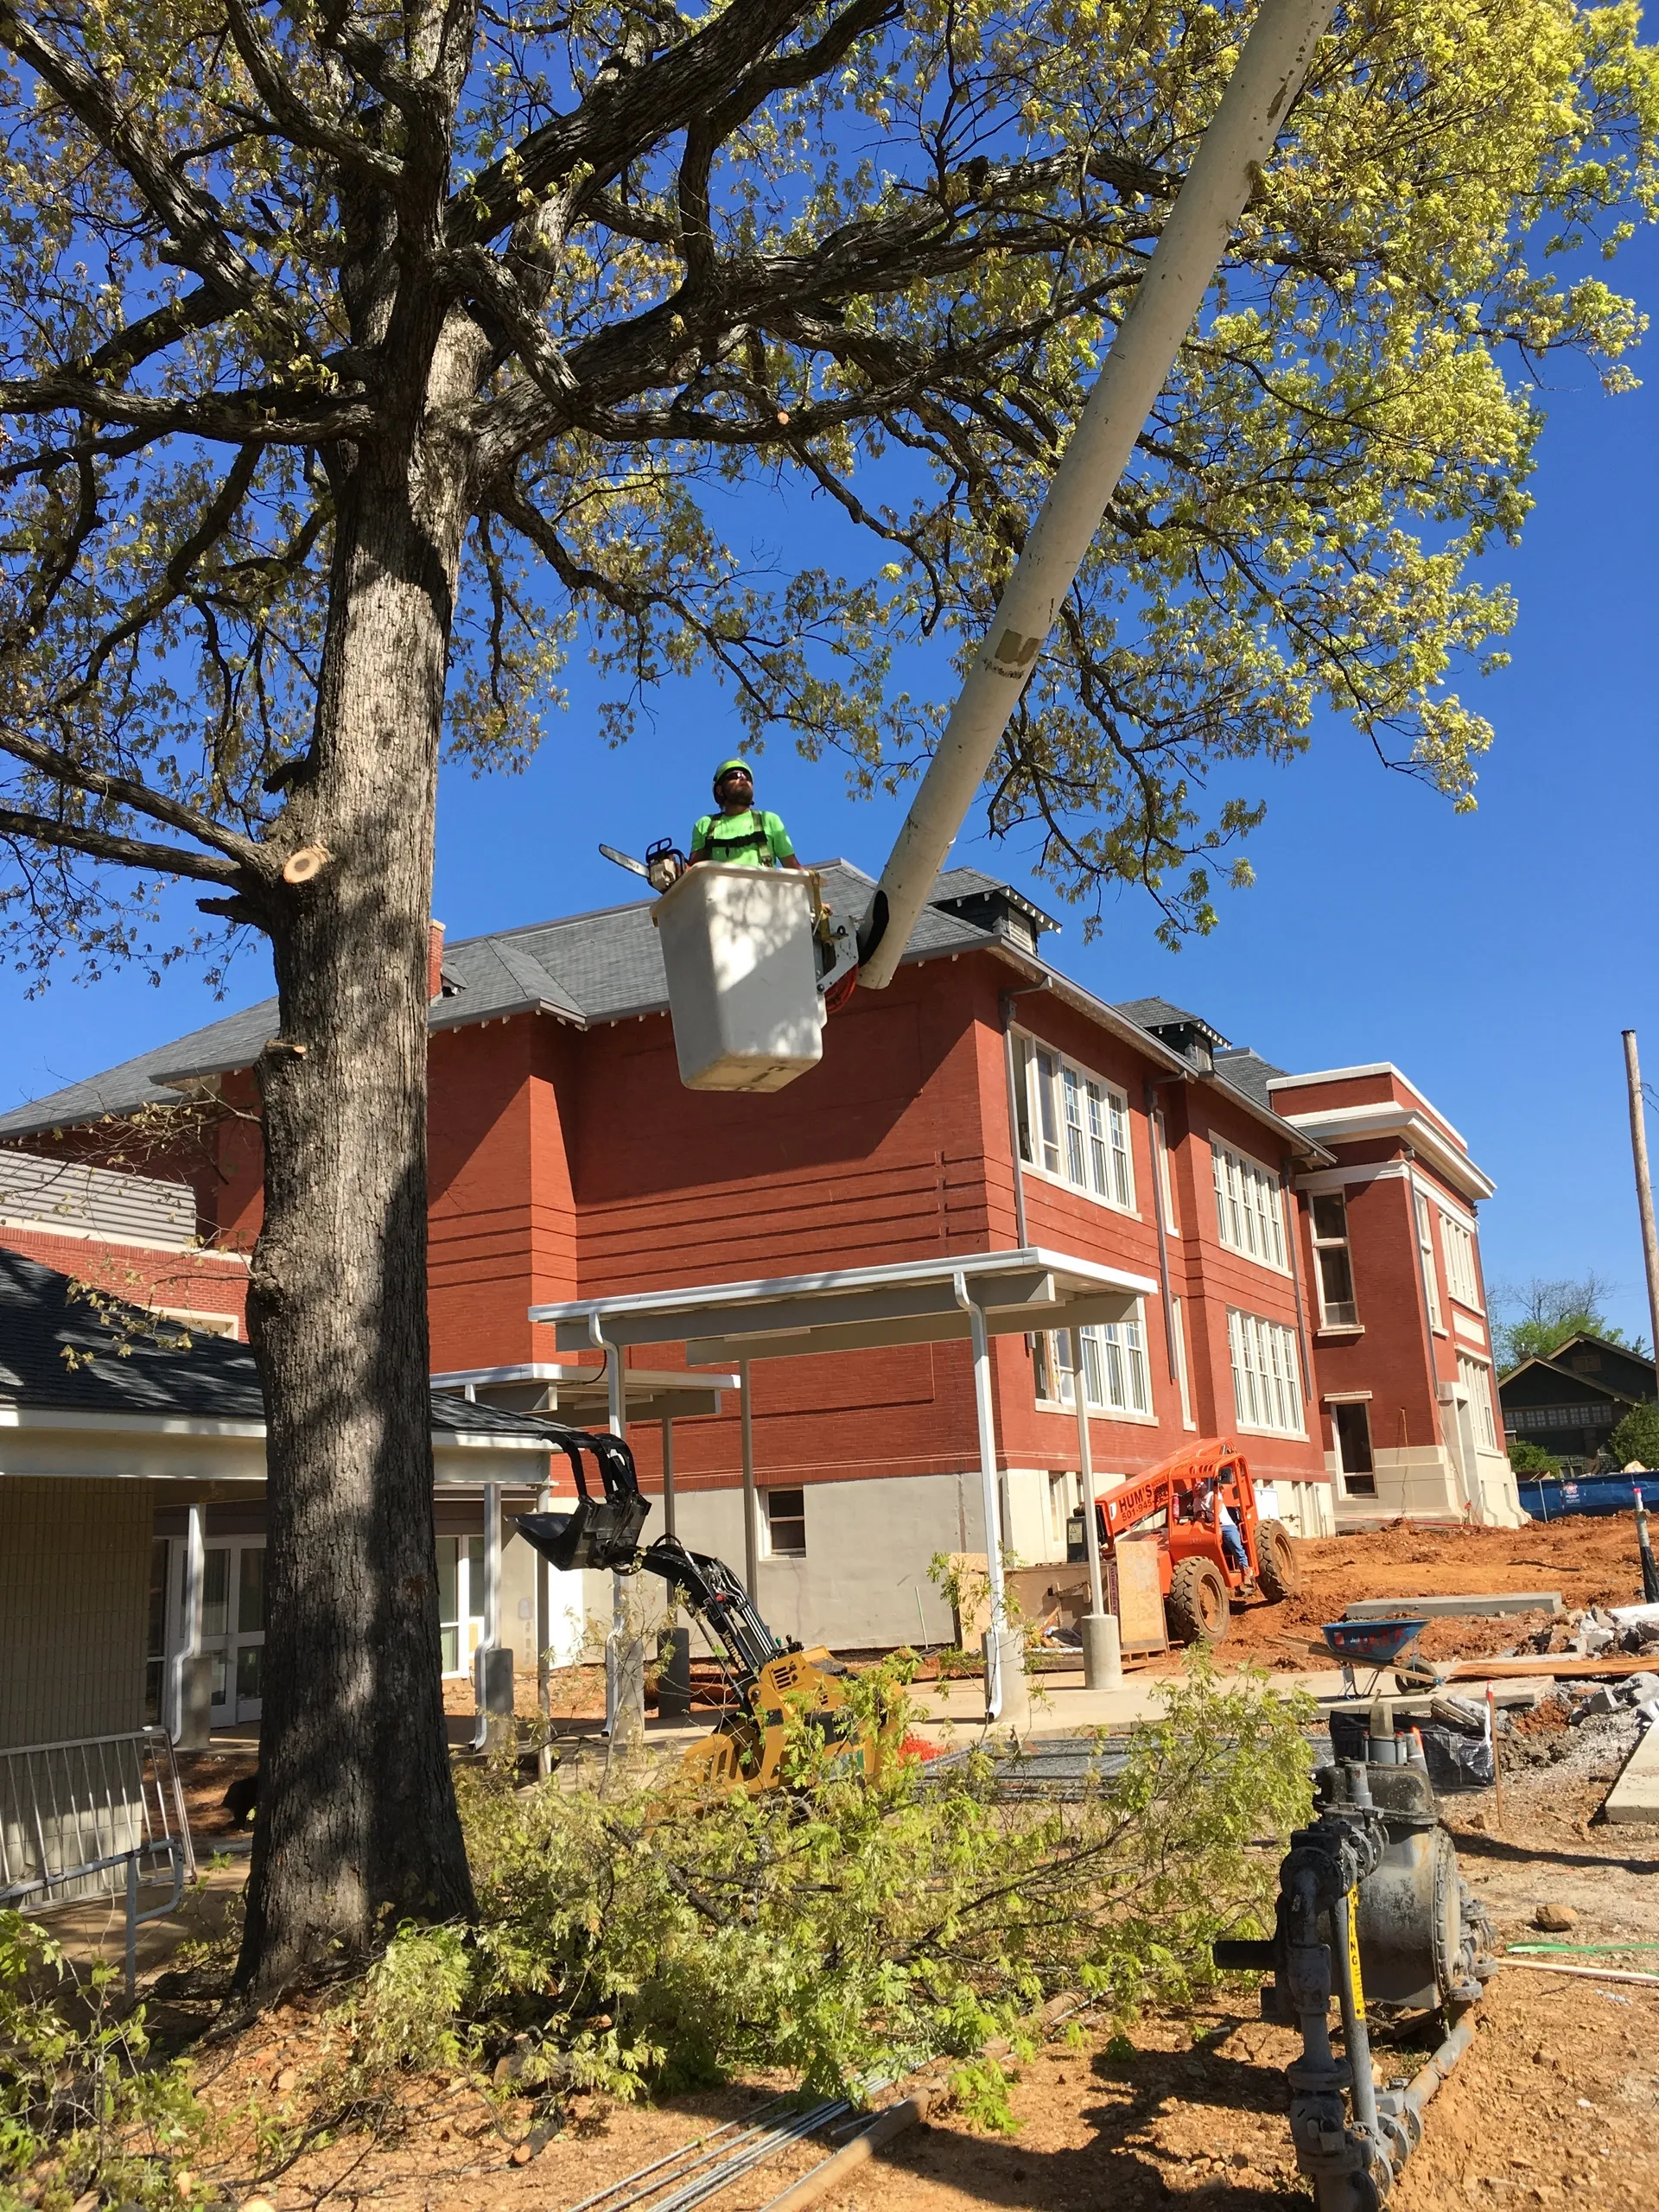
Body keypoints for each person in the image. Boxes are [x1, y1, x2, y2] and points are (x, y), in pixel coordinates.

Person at [690, 759, 802, 870]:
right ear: (720, 790)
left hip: (762, 887)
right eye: (736, 775)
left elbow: (795, 869)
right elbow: (692, 871)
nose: (743, 778)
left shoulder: (769, 820)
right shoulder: (705, 824)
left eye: (747, 777)